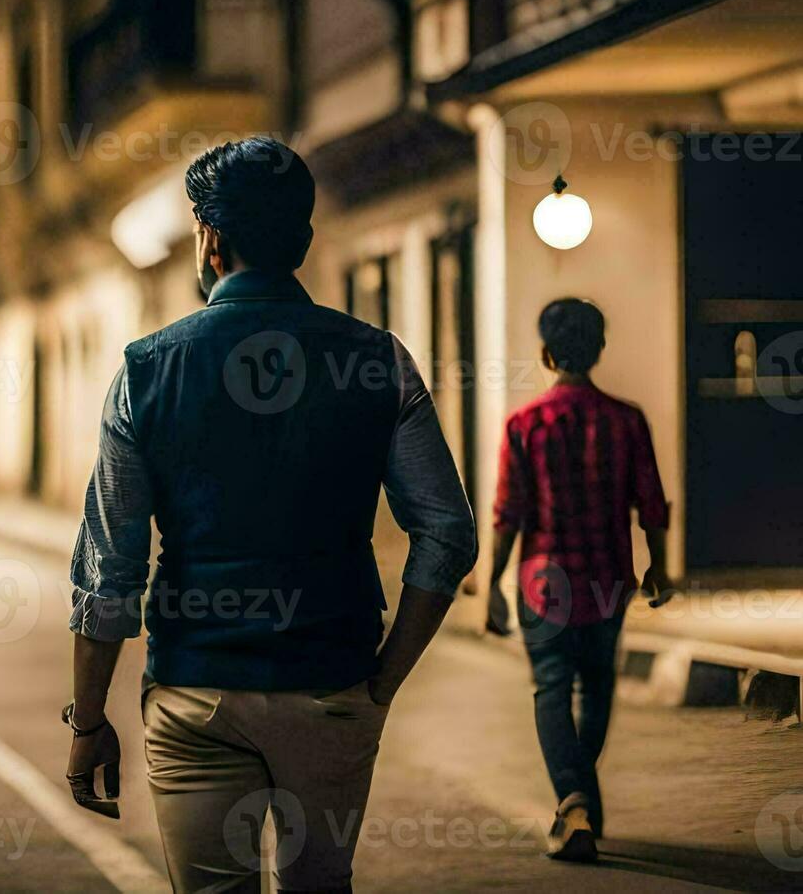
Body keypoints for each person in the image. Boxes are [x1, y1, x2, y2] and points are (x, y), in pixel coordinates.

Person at [62, 137, 477, 893]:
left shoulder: (147, 370)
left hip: (197, 691)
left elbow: (109, 569)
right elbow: (447, 532)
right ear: (305, 241)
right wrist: (384, 681)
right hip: (332, 680)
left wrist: (89, 723)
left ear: (210, 239)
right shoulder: (379, 360)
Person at [472, 297, 671, 862]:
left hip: (544, 585)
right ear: (600, 348)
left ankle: (574, 802)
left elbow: (508, 512)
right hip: (608, 577)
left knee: (552, 689)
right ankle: (580, 793)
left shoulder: (524, 425)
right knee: (599, 686)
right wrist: (660, 565)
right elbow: (651, 503)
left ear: (545, 352)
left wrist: (490, 584)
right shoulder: (627, 420)